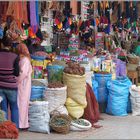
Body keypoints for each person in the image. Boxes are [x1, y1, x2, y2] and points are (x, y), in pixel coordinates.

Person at [0, 36, 19, 128]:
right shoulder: (15, 56)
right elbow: (16, 73)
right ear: (11, 45)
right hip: (11, 86)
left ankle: (5, 129)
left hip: (0, 86)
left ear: (2, 44)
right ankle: (15, 129)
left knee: (3, 109)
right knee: (14, 107)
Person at [17, 43, 32, 129]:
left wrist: (16, 81)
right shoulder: (25, 59)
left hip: (23, 85)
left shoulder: (25, 60)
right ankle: (22, 124)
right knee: (23, 104)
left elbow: (22, 73)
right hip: (24, 85)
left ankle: (21, 124)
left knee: (21, 105)